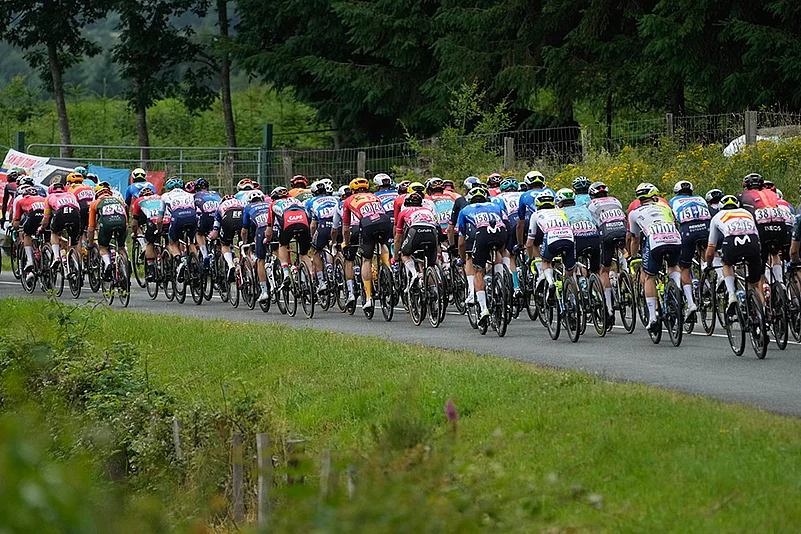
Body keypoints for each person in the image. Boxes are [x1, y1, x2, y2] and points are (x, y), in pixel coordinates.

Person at [628, 182, 683, 334]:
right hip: (675, 239)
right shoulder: (666, 207)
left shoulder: (634, 213)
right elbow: (674, 223)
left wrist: (633, 257)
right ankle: (677, 288)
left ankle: (652, 317)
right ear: (655, 196)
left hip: (655, 241)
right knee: (673, 266)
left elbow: (635, 239)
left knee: (650, 277)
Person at [457, 186, 508, 325]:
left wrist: (463, 258)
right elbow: (506, 222)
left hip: (481, 234)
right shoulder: (495, 205)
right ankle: (500, 283)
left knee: (478, 270)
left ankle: (484, 309)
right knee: (497, 252)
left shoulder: (465, 210)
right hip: (501, 232)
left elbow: (461, 241)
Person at [342, 177, 393, 311]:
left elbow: (346, 228)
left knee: (366, 260)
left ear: (352, 190)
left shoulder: (348, 200)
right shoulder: (374, 196)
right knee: (382, 244)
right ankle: (389, 272)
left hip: (367, 223)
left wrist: (346, 243)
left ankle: (369, 298)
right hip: (384, 220)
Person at [706, 195, 762, 312]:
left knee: (726, 264)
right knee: (754, 283)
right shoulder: (746, 213)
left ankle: (732, 295)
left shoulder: (717, 217)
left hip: (731, 242)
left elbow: (711, 248)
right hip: (752, 241)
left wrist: (709, 264)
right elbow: (757, 237)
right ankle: (763, 314)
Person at [586, 181, 628, 323]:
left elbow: (594, 224)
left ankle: (609, 308)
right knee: (624, 252)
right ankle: (627, 272)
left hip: (606, 234)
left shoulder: (591, 205)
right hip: (622, 230)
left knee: (604, 270)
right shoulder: (616, 201)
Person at [669, 180, 711, 318]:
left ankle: (691, 303)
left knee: (684, 268)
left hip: (687, 231)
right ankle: (706, 267)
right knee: (705, 249)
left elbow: (672, 221)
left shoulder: (673, 201)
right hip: (706, 228)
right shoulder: (700, 198)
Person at [737, 172, 786, 286]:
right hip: (780, 226)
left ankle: (763, 287)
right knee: (775, 253)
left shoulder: (742, 195)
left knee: (760, 261)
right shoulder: (771, 193)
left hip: (761, 228)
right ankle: (780, 282)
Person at [526, 192, 575, 301]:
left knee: (546, 261)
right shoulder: (561, 211)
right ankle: (568, 294)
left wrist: (530, 258)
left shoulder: (536, 215)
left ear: (538, 205)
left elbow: (530, 242)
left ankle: (551, 282)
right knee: (569, 269)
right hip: (569, 236)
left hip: (552, 236)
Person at [264, 186, 313, 291]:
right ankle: (312, 278)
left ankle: (286, 272)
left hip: (288, 224)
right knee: (303, 254)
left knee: (283, 245)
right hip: (304, 223)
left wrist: (267, 239)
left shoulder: (273, 204)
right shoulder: (296, 200)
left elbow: (269, 229)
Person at [393, 189, 439, 292]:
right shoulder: (428, 211)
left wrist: (396, 256)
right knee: (429, 264)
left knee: (405, 254)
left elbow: (398, 237)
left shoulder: (404, 212)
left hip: (415, 231)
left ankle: (415, 274)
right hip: (432, 231)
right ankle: (433, 289)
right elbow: (437, 226)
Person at [557, 187, 600, 289]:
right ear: (574, 201)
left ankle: (570, 294)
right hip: (594, 237)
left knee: (570, 269)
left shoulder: (560, 212)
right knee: (595, 270)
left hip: (576, 239)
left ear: (559, 203)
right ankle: (596, 292)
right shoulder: (585, 208)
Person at [158, 178, 198, 279]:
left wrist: (159, 230)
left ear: (168, 189)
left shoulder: (165, 196)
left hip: (177, 217)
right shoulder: (190, 194)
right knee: (191, 242)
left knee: (172, 242)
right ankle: (195, 266)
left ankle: (179, 261)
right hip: (192, 216)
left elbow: (159, 219)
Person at [517, 171, 555, 273]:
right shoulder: (551, 191)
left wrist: (520, 244)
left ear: (527, 184)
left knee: (535, 244)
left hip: (538, 223)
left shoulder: (524, 195)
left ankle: (540, 272)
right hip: (554, 224)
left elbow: (520, 223)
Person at [87, 185, 128, 280]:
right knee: (121, 247)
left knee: (102, 247)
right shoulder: (119, 200)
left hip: (107, 224)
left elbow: (91, 227)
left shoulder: (95, 203)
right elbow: (126, 221)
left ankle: (108, 264)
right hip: (121, 223)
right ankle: (126, 266)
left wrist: (90, 243)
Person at [240, 191, 274, 302]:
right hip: (275, 228)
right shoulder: (269, 204)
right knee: (277, 251)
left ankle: (264, 291)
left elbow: (245, 229)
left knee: (261, 260)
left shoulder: (248, 207)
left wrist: (244, 242)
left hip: (262, 229)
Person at [39, 179, 81, 269]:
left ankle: (57, 257)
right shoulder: (71, 194)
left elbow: (46, 217)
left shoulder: (49, 197)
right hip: (75, 213)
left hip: (61, 211)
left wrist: (42, 228)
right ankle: (77, 267)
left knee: (54, 232)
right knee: (73, 242)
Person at [306, 180, 338, 292]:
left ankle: (321, 282)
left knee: (316, 251)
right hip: (338, 226)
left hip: (323, 226)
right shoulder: (335, 199)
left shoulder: (311, 202)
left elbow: (313, 224)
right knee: (336, 248)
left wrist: (312, 237)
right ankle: (334, 268)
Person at [494, 178, 524, 296]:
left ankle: (515, 286)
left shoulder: (500, 197)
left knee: (510, 255)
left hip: (511, 223)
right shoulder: (522, 194)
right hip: (527, 221)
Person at [131, 186, 166, 281]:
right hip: (166, 219)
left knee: (150, 243)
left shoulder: (139, 200)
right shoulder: (160, 197)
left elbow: (135, 223)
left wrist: (135, 234)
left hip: (153, 221)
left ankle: (151, 270)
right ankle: (168, 264)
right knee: (169, 243)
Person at [12, 185, 46, 284]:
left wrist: (15, 228)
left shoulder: (21, 201)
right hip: (46, 216)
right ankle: (47, 253)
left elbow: (17, 220)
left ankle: (30, 260)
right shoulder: (43, 198)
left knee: (27, 234)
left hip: (33, 215)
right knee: (48, 237)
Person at [208, 194, 245, 282]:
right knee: (244, 244)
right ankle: (245, 265)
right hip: (242, 219)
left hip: (228, 219)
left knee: (224, 245)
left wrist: (211, 236)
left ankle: (231, 264)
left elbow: (215, 229)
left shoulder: (220, 207)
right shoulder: (241, 203)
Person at [193, 178, 222, 265]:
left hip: (206, 216)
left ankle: (205, 255)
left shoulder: (195, 195)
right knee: (220, 237)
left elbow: (194, 210)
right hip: (219, 216)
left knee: (199, 234)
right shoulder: (217, 193)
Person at [426, 177, 459, 244]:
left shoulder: (428, 199)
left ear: (429, 190)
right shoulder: (452, 197)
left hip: (441, 231)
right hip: (456, 228)